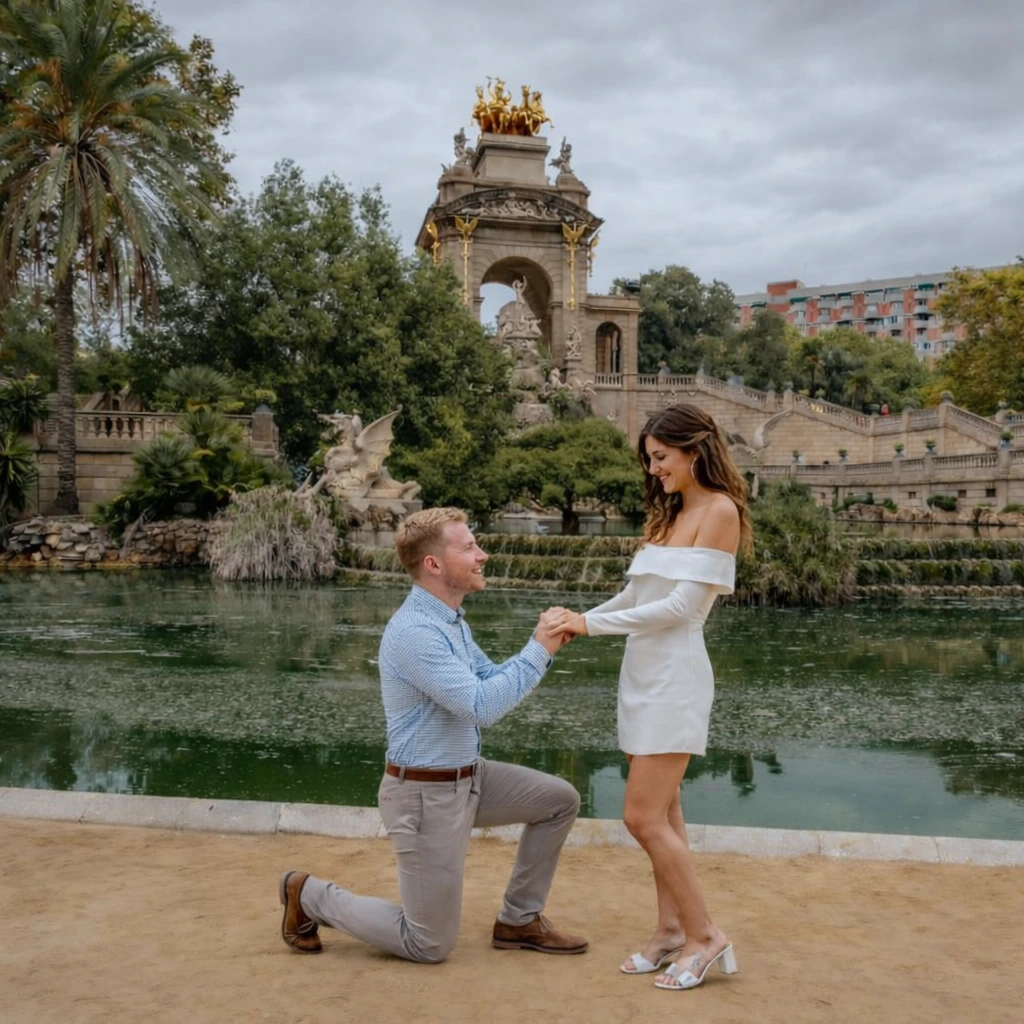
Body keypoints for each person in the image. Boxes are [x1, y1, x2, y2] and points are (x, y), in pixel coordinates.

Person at [279, 507, 587, 963]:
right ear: (433, 564)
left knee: (559, 800)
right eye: (469, 547)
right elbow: (482, 707)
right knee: (428, 943)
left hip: (469, 779)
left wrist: (544, 646)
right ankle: (308, 896)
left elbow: (489, 679)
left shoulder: (450, 620)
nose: (482, 555)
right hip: (424, 796)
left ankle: (519, 920)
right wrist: (538, 649)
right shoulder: (415, 633)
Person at [545, 403, 752, 992]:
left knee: (640, 817)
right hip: (640, 674)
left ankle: (706, 936)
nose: (654, 469)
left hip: (675, 678)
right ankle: (669, 931)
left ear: (694, 450)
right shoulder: (672, 513)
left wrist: (589, 626)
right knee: (664, 814)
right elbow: (636, 596)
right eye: (649, 459)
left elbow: (682, 608)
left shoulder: (720, 511)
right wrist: (578, 617)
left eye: (661, 457)